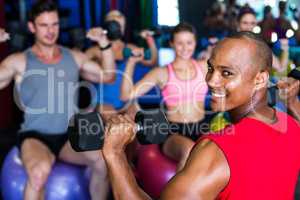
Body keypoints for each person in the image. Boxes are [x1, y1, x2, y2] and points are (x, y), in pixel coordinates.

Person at [102, 31, 300, 199]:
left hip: (200, 130)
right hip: (175, 130)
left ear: (260, 79)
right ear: (172, 44)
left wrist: (115, 154)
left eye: (227, 73)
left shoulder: (216, 151)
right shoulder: (291, 126)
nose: (211, 81)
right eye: (211, 69)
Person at [0, 1, 115, 200]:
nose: (50, 30)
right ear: (31, 27)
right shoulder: (19, 61)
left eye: (54, 24)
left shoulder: (74, 57)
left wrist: (104, 43)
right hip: (36, 136)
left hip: (69, 135)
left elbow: (108, 76)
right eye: (44, 25)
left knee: (103, 161)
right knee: (38, 174)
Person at [120, 22, 213, 170]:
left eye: (189, 42)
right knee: (189, 151)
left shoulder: (204, 66)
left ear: (195, 43)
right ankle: (178, 194)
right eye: (179, 43)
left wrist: (212, 49)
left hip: (202, 126)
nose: (185, 48)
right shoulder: (161, 72)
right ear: (171, 44)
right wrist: (131, 62)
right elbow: (126, 95)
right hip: (174, 131)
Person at [85, 10, 158, 120]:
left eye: (119, 15)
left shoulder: (131, 48)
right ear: (106, 25)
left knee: (139, 125)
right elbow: (78, 65)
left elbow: (152, 62)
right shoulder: (95, 51)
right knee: (116, 125)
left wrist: (149, 39)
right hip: (104, 101)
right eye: (112, 16)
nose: (116, 17)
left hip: (127, 100)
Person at [236, 6, 289, 74]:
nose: (249, 27)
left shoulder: (260, 46)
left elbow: (280, 68)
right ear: (238, 24)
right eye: (245, 23)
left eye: (252, 23)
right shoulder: (229, 44)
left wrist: (285, 48)